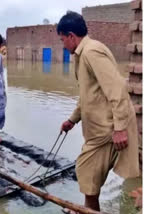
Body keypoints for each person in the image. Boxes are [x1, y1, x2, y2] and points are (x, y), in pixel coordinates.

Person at [57, 11, 139, 212]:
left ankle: (89, 210)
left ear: (71, 36)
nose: (63, 45)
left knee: (86, 171)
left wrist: (119, 128)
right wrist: (72, 120)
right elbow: (89, 95)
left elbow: (117, 90)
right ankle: (90, 209)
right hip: (99, 130)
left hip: (107, 130)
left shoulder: (91, 52)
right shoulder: (84, 53)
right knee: (90, 178)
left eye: (62, 40)